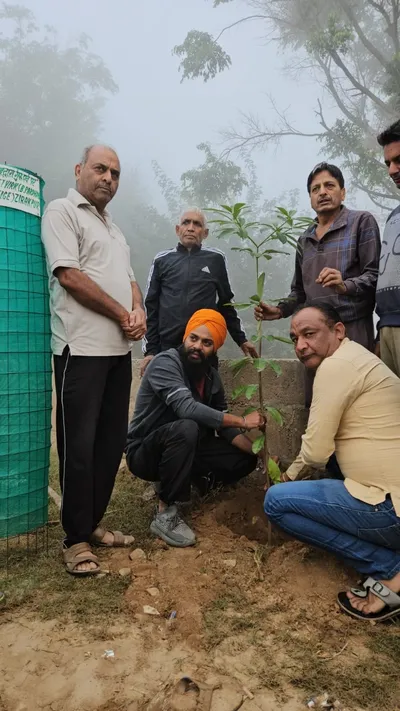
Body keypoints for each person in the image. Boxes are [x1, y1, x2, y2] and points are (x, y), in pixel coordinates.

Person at [41, 145, 146, 576]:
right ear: (80, 169)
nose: (108, 178)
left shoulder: (114, 230)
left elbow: (131, 282)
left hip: (118, 354)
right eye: (101, 169)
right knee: (78, 448)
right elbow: (70, 276)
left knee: (108, 445)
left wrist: (138, 311)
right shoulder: (62, 212)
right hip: (79, 351)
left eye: (116, 173)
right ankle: (75, 539)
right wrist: (123, 314)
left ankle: (92, 523)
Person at [264, 303, 400, 622]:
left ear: (338, 331)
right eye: (294, 338)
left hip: (389, 507)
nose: (300, 345)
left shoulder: (336, 366)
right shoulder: (358, 359)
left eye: (309, 334)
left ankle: (389, 569)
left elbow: (315, 453)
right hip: (390, 498)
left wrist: (286, 478)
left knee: (277, 503)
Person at [126, 309, 262, 547]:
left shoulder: (211, 377)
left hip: (188, 446)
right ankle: (165, 512)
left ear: (215, 348)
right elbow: (186, 408)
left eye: (207, 343)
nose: (198, 346)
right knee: (187, 427)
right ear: (185, 338)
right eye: (194, 338)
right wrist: (242, 421)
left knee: (244, 458)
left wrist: (260, 453)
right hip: (146, 452)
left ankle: (191, 485)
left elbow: (225, 427)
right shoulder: (165, 363)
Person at [254, 163, 381, 403]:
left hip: (352, 331)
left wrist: (345, 284)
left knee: (356, 405)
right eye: (315, 189)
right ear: (311, 199)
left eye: (329, 185)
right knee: (319, 405)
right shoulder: (305, 239)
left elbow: (375, 276)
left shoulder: (361, 223)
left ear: (342, 192)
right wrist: (280, 309)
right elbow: (299, 292)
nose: (322, 192)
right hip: (313, 337)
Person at [141, 207, 257, 376]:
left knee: (203, 398)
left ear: (205, 233)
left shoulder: (215, 259)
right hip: (167, 347)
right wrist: (150, 351)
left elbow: (226, 304)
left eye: (197, 224)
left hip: (203, 347)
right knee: (167, 398)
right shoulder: (162, 260)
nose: (190, 227)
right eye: (186, 222)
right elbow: (151, 306)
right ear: (177, 229)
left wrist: (241, 339)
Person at [376, 120, 400, 376]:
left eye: (398, 160)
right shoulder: (394, 216)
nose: (392, 170)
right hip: (388, 327)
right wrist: (380, 329)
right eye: (388, 163)